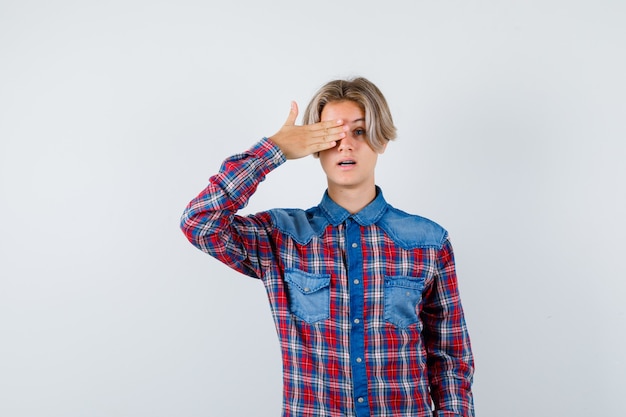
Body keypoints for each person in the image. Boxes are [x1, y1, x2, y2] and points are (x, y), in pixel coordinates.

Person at [180, 77, 474, 417]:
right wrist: (273, 150)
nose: (345, 145)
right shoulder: (280, 237)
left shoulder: (428, 241)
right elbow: (200, 222)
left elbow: (450, 359)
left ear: (381, 140)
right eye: (332, 133)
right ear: (314, 145)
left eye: (360, 131)